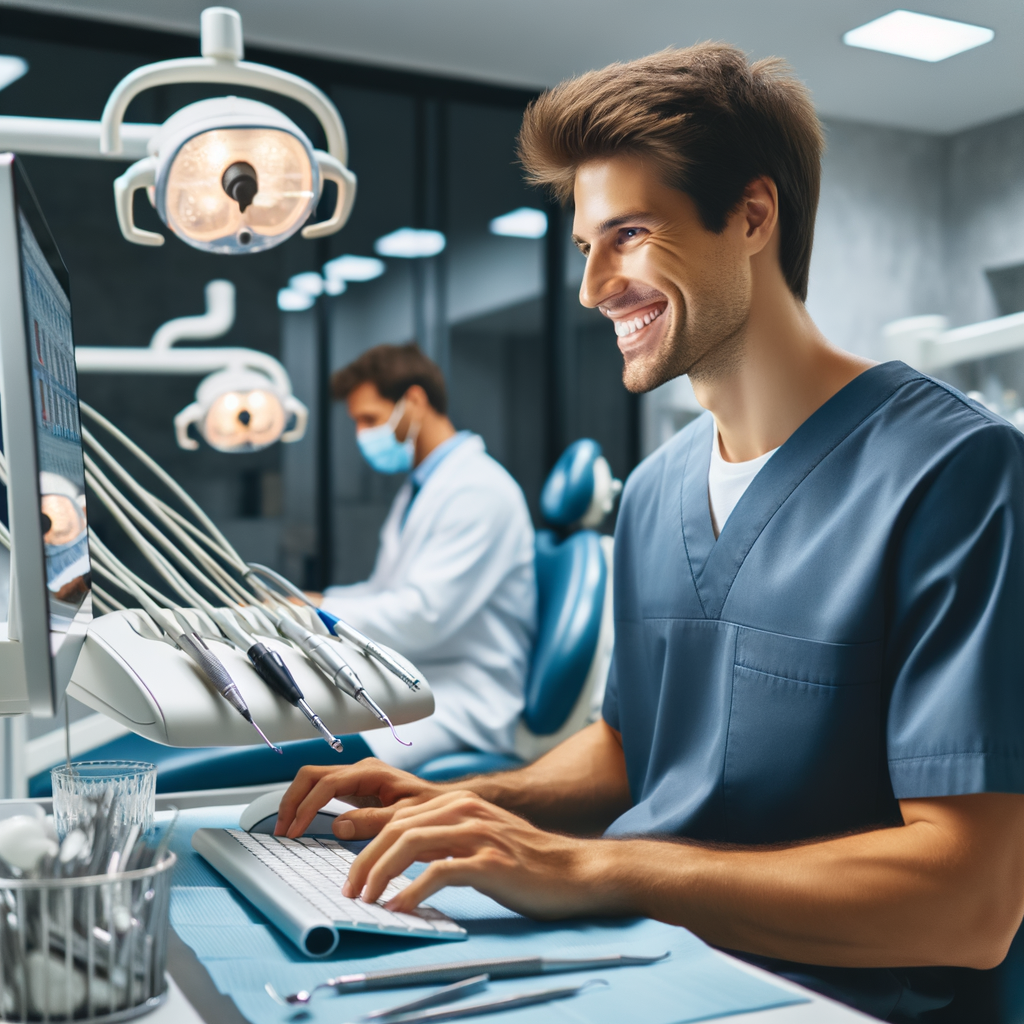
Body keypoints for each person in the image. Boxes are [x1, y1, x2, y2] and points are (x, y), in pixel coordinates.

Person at [277, 45, 1024, 1021]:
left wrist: (602, 868)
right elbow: (631, 753)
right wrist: (475, 807)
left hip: (833, 998)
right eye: (586, 246)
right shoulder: (657, 489)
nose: (592, 288)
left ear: (751, 216)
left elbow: (968, 904)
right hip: (649, 957)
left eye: (627, 234)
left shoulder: (954, 474)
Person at [315, 342, 536, 771]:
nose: (363, 435)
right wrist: (310, 603)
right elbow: (385, 591)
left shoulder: (479, 489)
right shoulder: (420, 489)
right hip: (413, 682)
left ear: (413, 402)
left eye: (370, 419)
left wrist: (320, 612)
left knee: (287, 747)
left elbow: (423, 616)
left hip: (457, 699)